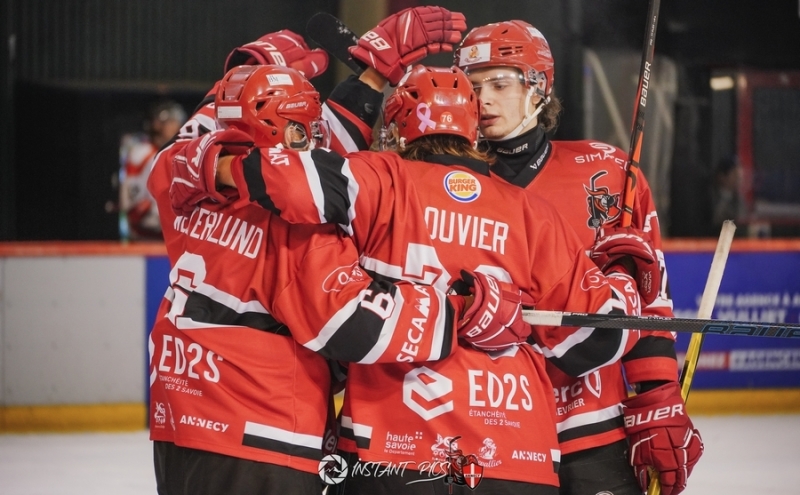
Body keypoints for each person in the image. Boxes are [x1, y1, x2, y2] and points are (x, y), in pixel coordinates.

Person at [185, 63, 647, 494]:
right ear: (472, 127)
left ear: (396, 128)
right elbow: (595, 340)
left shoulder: (378, 178)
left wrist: (210, 166)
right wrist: (622, 272)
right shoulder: (533, 215)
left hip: (388, 450)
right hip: (515, 453)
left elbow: (285, 181)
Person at [147, 12, 482, 494]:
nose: (319, 141)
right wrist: (459, 308)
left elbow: (219, 134)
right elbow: (353, 321)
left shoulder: (185, 186)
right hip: (264, 434)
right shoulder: (295, 227)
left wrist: (252, 68)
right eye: (308, 130)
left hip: (177, 421)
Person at [454, 20, 703, 495]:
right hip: (483, 429)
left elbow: (647, 297)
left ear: (539, 88)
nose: (482, 99)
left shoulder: (608, 174)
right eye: (471, 85)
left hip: (592, 426)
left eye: (500, 84)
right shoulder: (445, 185)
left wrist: (657, 394)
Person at [119, 99, 186, 240]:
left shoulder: (182, 153)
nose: (176, 126)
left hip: (174, 233)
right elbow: (131, 204)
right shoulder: (142, 153)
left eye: (177, 121)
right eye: (171, 121)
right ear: (157, 124)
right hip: (148, 236)